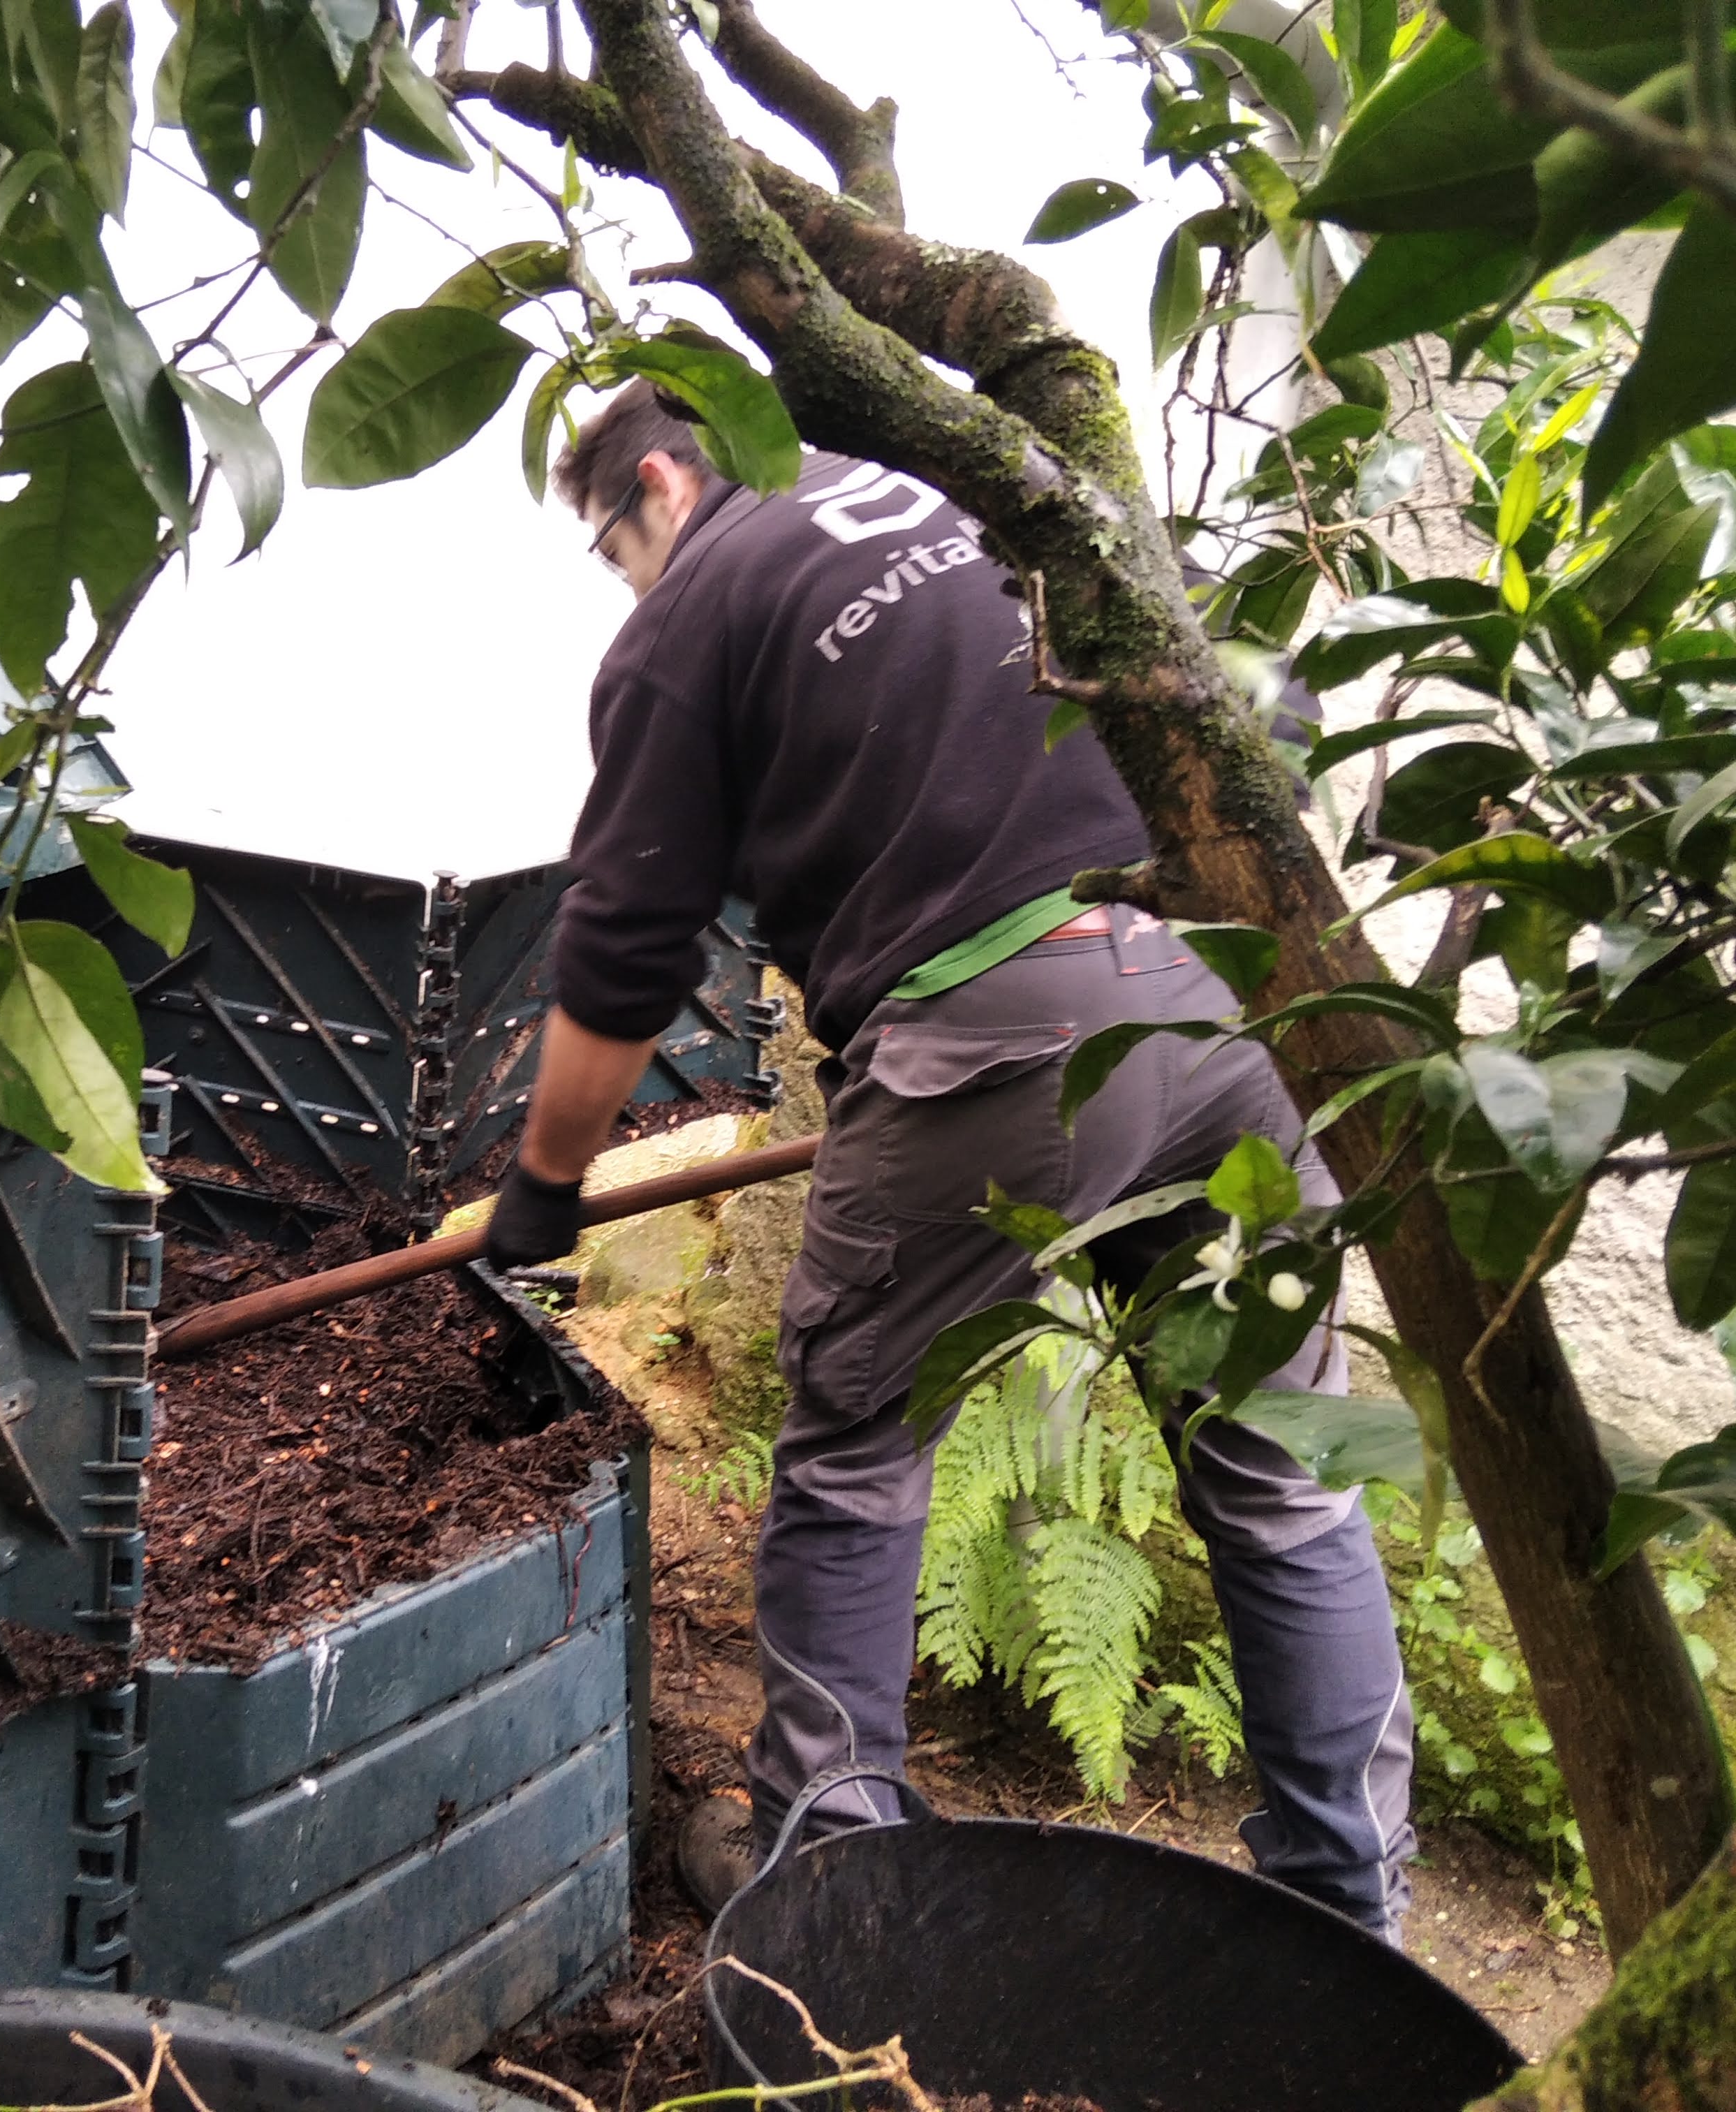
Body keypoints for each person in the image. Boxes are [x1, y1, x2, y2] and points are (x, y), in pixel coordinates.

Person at [481, 382, 1416, 1940]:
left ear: (656, 475)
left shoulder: (693, 605)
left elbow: (627, 939)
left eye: (610, 546)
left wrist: (544, 1187)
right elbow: (1268, 711)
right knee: (1284, 1477)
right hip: (1241, 995)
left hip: (1002, 1029)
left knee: (856, 1447)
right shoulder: (1000, 487)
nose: (624, 577)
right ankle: (1347, 1924)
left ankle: (822, 1885)